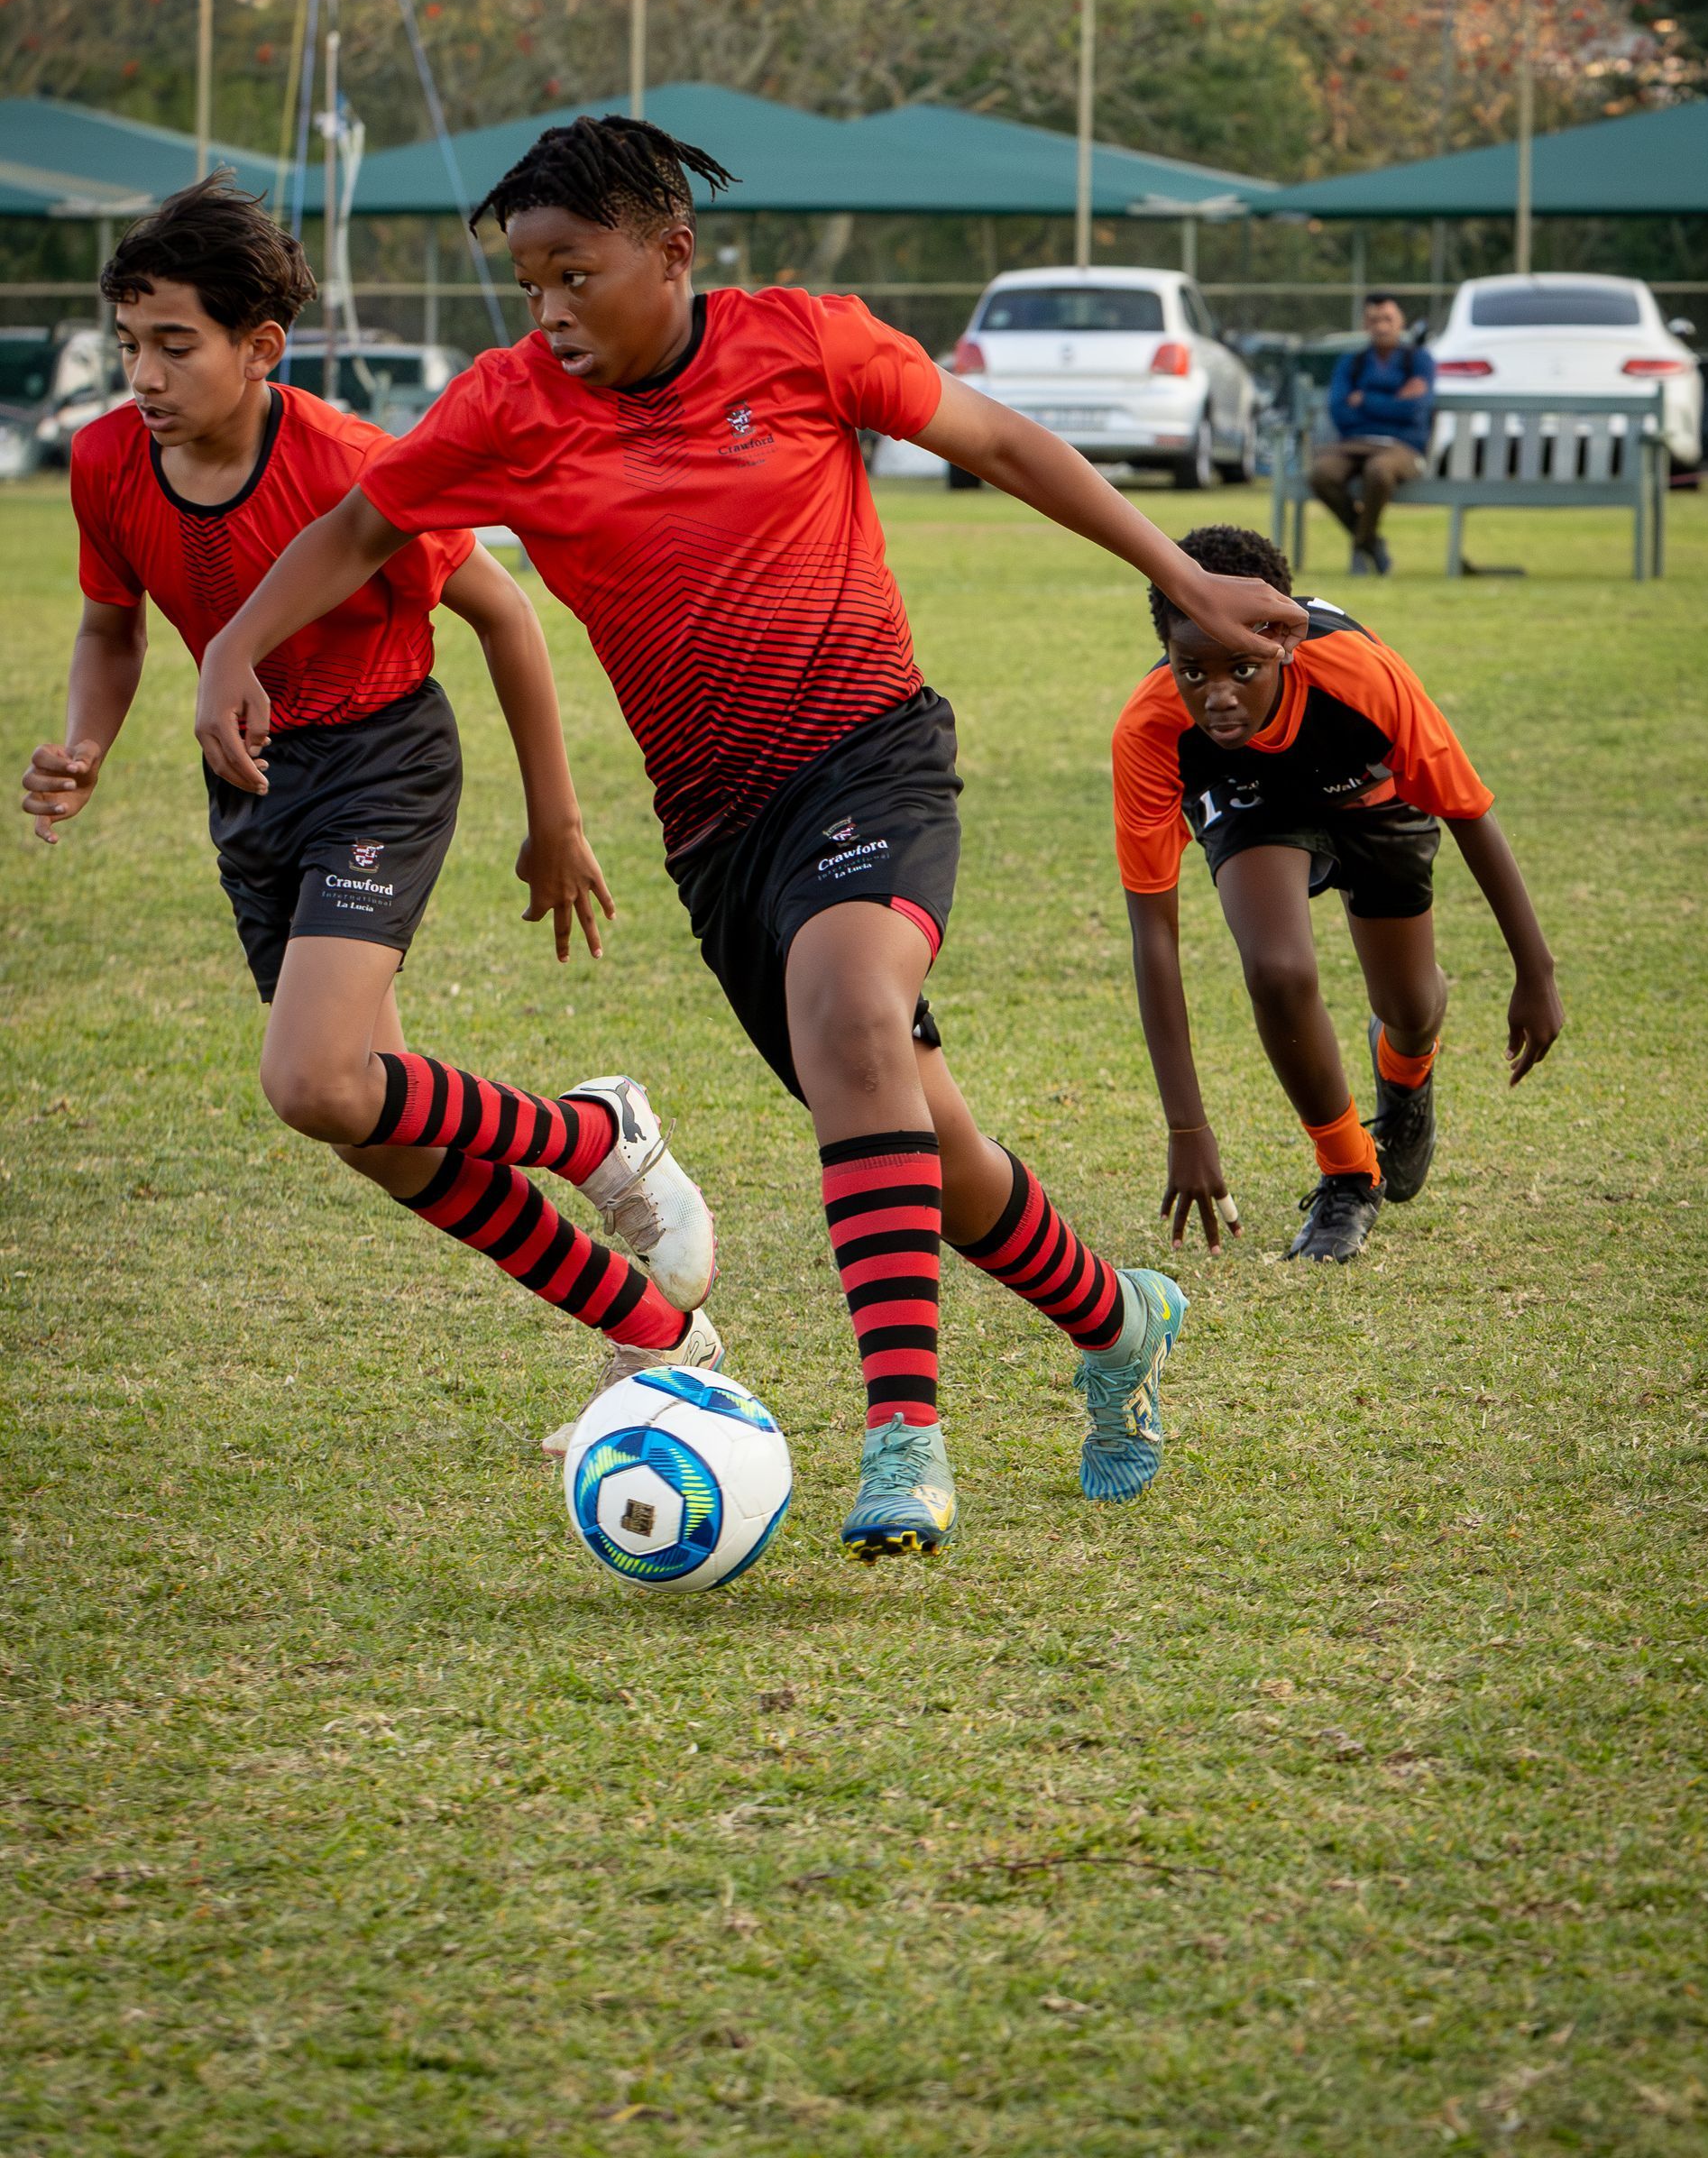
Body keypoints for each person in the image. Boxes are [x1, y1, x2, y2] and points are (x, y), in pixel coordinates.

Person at [191, 117, 1309, 1561]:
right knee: (928, 1144)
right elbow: (354, 528)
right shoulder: (504, 407)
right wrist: (234, 646)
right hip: (718, 833)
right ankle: (1115, 1314)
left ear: (674, 252)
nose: (549, 312)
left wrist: (1180, 578)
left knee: (854, 1014)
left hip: (871, 753)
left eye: (576, 274)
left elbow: (1006, 444)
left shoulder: (804, 342)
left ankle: (904, 1439)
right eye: (528, 282)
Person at [23, 174, 718, 1387]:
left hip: (380, 761)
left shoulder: (353, 463)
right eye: (129, 345)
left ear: (260, 347)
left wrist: (554, 817)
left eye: (176, 346)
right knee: (369, 1126)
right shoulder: (103, 464)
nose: (144, 375)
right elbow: (111, 629)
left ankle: (596, 1134)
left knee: (310, 1080)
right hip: (250, 788)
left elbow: (505, 614)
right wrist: (85, 745)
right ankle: (652, 1331)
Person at [1113, 523, 1562, 1263]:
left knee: (1411, 1007)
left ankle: (1405, 1074)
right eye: (1191, 670)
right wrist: (1186, 1126)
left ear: (1283, 641)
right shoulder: (1152, 728)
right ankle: (1349, 1174)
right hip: (1252, 798)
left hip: (1371, 794)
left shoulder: (1361, 675)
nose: (1216, 696)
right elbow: (1153, 932)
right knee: (1278, 970)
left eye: (1242, 669)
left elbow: (1470, 813)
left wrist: (1535, 971)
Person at [1309, 292, 1436, 575]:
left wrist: (1365, 400)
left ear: (1400, 322)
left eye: (1387, 319)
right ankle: (1371, 542)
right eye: (1373, 319)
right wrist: (1394, 401)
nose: (1381, 326)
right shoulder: (1350, 364)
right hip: (1354, 443)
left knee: (1378, 471)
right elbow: (1340, 412)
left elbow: (1415, 410)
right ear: (1365, 324)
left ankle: (1360, 546)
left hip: (1401, 447)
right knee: (1321, 473)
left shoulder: (1418, 361)